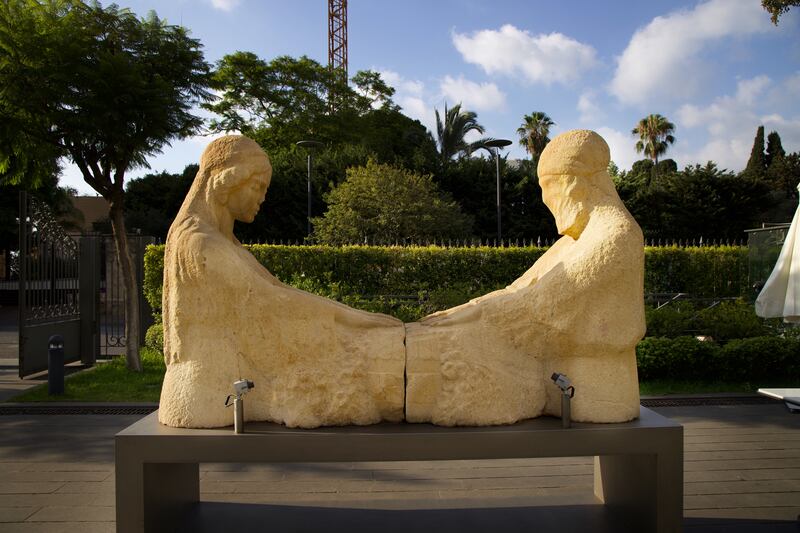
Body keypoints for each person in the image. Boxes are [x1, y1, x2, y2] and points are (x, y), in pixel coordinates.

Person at [158, 136, 406, 429]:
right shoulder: (200, 244)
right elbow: (273, 301)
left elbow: (279, 290)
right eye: (257, 187)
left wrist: (355, 316)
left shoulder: (226, 242)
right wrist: (354, 318)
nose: (262, 197)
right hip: (208, 395)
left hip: (227, 386)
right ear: (227, 181)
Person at [405, 130, 645, 425]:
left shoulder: (616, 237)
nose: (547, 200)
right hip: (557, 377)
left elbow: (538, 305)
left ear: (571, 184)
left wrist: (470, 314)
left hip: (599, 391)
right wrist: (468, 308)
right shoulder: (573, 242)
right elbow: (516, 290)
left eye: (548, 187)